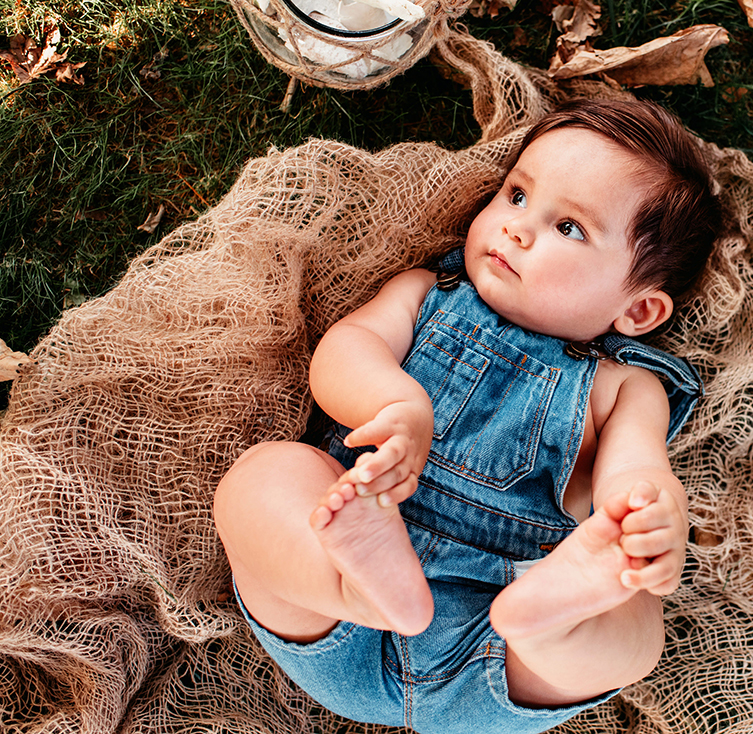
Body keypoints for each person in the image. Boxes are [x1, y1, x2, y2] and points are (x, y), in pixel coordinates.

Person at [213, 98, 723, 734]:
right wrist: (395, 404)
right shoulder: (426, 293)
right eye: (515, 195)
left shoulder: (625, 388)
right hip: (337, 606)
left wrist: (643, 518)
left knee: (637, 620)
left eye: (569, 228)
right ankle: (358, 583)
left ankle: (549, 621)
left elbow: (635, 470)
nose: (516, 227)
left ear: (638, 312)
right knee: (265, 476)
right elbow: (344, 353)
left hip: (498, 651)